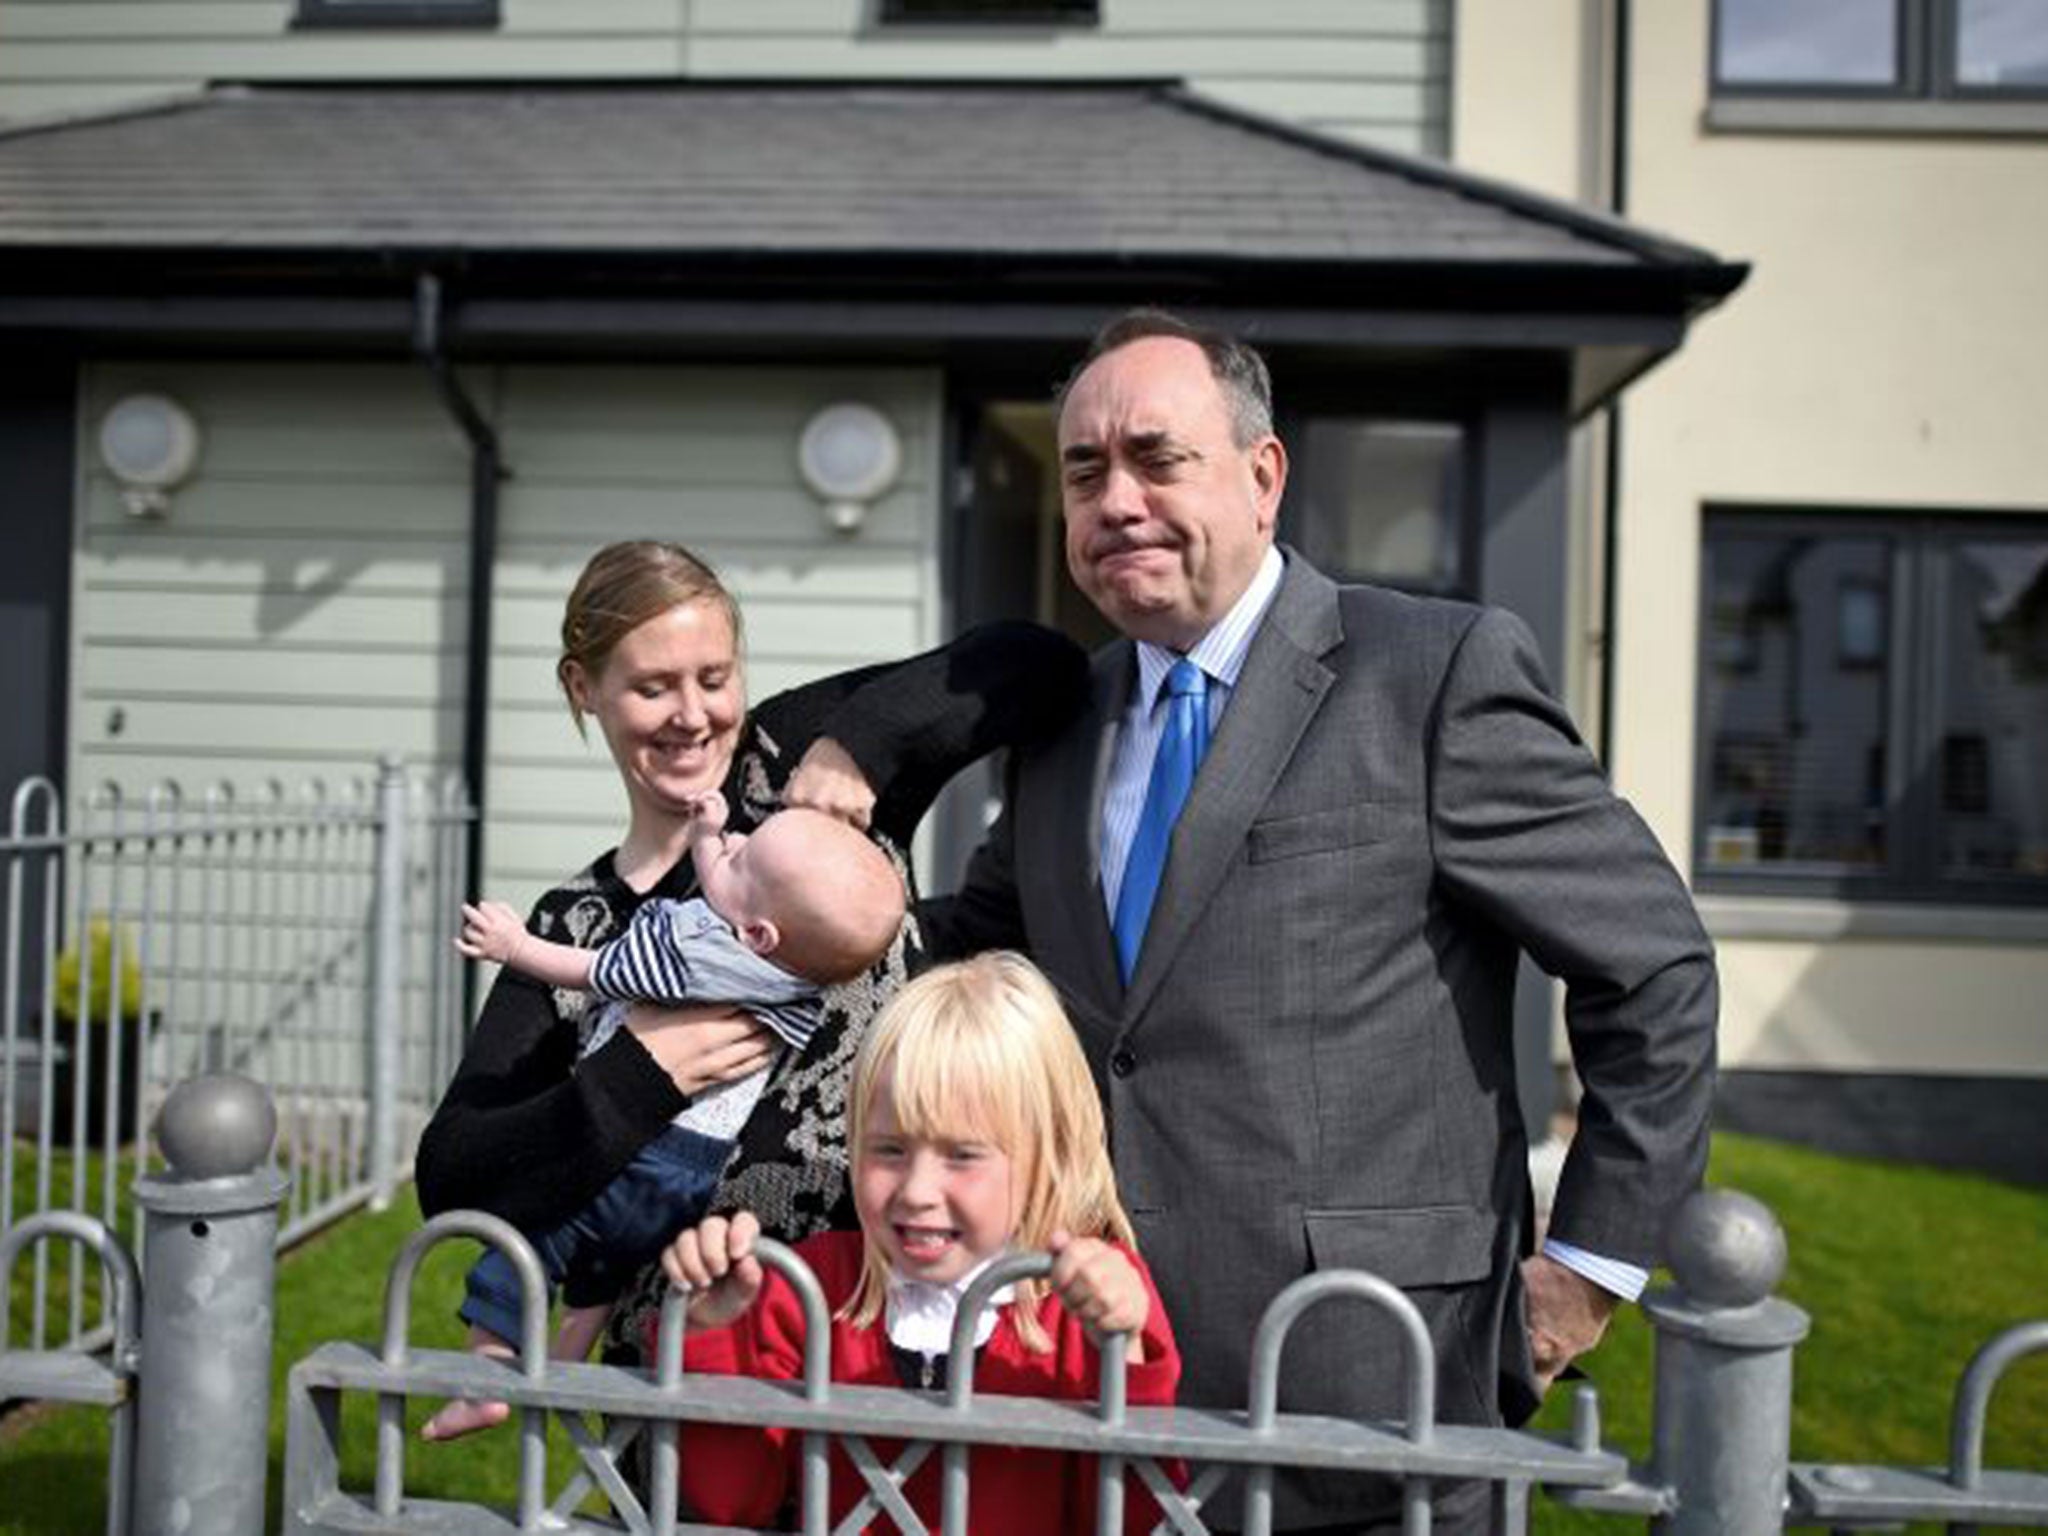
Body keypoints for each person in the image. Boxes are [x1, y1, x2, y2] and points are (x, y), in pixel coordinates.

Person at [919, 310, 1719, 1533]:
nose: (1114, 500)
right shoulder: (1059, 726)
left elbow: (1651, 966)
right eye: (1084, 472)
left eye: (1154, 458)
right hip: (1093, 1388)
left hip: (1372, 1399)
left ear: (1261, 474)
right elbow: (955, 956)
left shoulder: (1428, 674)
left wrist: (1585, 1272)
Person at [414, 539, 1089, 1391]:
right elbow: (453, 1175)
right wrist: (636, 1077)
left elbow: (1038, 667)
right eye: (652, 687)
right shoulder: (575, 926)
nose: (691, 715)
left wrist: (863, 741)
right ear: (584, 690)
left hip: (882, 1341)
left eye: (713, 677)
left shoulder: (799, 779)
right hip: (680, 1380)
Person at [421, 791, 906, 1440]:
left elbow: (596, 969)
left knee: (524, 1245)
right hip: (693, 1179)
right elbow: (735, 890)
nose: (729, 846)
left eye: (739, 856)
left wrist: (515, 946)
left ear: (757, 934)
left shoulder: (696, 952)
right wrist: (711, 836)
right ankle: (562, 1373)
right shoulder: (792, 975)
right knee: (603, 1274)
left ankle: (484, 1376)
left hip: (643, 1151)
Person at [662, 951, 1181, 1535]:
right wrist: (710, 1334)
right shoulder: (807, 1290)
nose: (917, 1191)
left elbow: (1140, 1520)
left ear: (1050, 1152)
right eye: (889, 1150)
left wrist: (1125, 1352)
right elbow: (731, 1503)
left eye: (962, 1155)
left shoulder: (1095, 1295)